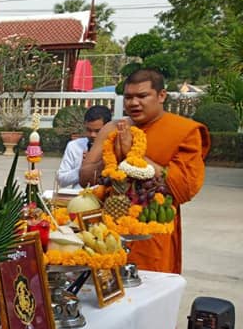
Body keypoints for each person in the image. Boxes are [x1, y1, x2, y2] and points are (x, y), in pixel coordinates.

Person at [81, 69, 209, 275]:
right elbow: (85, 177)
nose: (133, 103)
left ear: (161, 96)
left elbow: (184, 188)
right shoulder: (112, 128)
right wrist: (112, 157)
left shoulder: (183, 131)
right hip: (108, 227)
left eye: (142, 96)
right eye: (129, 97)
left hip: (153, 228)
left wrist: (136, 157)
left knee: (149, 291)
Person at [57, 104, 112, 188]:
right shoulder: (74, 146)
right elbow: (61, 180)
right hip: (78, 197)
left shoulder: (116, 147)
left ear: (107, 128)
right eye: (89, 130)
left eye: (98, 131)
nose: (92, 135)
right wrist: (83, 168)